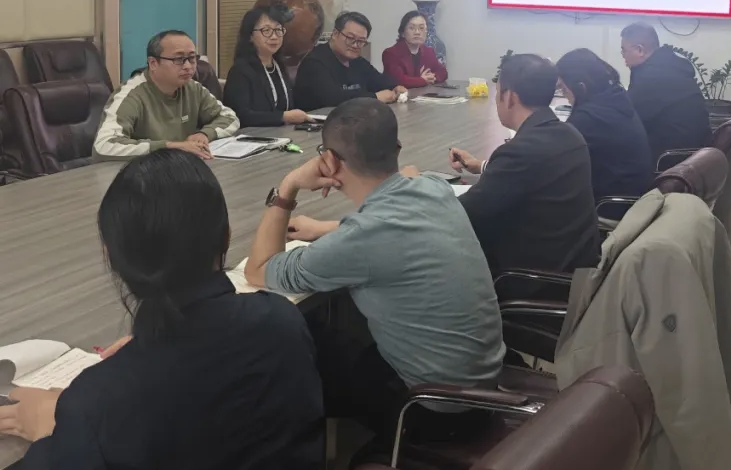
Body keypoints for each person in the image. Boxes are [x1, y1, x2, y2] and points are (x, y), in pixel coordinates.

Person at [0, 149, 324, 469]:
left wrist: (54, 429)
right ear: (225, 238)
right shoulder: (282, 321)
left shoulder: (96, 404)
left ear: (110, 256)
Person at [243, 98, 505, 445]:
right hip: (483, 390)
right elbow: (399, 198)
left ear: (329, 160)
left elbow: (258, 269)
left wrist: (288, 186)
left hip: (431, 411)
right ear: (396, 148)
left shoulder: (360, 240)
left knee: (294, 340)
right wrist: (327, 229)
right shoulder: (435, 187)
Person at [449, 54, 600, 276]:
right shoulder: (569, 134)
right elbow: (528, 177)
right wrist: (483, 166)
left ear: (510, 97)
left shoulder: (521, 151)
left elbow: (462, 213)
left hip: (529, 278)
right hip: (572, 268)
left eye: (498, 93)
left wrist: (420, 187)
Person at [93, 31, 239, 160]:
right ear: (153, 63)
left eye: (192, 58)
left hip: (180, 167)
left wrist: (205, 134)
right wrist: (170, 146)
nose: (188, 66)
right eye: (178, 59)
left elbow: (230, 118)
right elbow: (103, 146)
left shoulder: (192, 88)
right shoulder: (130, 95)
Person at [555, 48, 653, 201]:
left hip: (610, 205)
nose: (565, 96)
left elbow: (554, 156)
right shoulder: (615, 97)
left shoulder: (588, 119)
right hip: (633, 195)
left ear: (581, 87)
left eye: (563, 89)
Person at [620, 22, 711, 163]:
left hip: (670, 159)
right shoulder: (669, 66)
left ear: (640, 50)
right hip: (695, 155)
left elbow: (625, 117)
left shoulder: (652, 76)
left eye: (624, 51)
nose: (623, 56)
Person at [222, 4, 315, 128]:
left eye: (278, 30)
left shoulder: (279, 66)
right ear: (250, 36)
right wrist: (283, 117)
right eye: (266, 31)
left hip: (283, 133)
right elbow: (240, 116)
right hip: (253, 136)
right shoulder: (240, 71)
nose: (274, 36)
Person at [293, 11, 407, 111]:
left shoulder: (357, 62)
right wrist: (375, 97)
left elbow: (380, 80)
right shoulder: (314, 62)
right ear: (335, 34)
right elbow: (332, 98)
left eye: (361, 41)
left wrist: (395, 86)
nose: (355, 45)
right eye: (350, 38)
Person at [381, 11, 448, 88]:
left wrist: (432, 77)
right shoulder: (390, 54)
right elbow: (399, 80)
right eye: (412, 28)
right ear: (403, 33)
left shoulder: (429, 52)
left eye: (421, 28)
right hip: (399, 95)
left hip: (423, 94)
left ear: (426, 32)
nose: (417, 32)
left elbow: (443, 72)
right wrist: (422, 80)